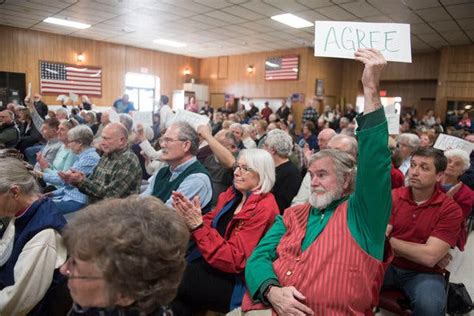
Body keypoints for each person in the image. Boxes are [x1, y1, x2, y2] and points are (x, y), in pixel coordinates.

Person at [242, 48, 393, 315]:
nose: (313, 182)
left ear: (347, 180)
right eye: (311, 175)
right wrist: (272, 291)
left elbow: (376, 161)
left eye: (322, 175)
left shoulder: (362, 216)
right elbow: (257, 258)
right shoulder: (292, 215)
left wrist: (370, 89)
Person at [171, 148, 279, 315]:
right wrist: (190, 216)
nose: (236, 172)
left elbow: (234, 260)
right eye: (237, 166)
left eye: (245, 168)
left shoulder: (264, 208)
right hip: (211, 262)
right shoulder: (233, 194)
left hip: (236, 281)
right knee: (174, 285)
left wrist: (198, 227)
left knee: (172, 277)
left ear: (262, 173)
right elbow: (209, 221)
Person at [60, 195, 189, 315]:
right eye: (70, 259)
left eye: (75, 264)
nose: (63, 269)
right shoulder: (95, 302)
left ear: (124, 294)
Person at [384, 148, 463, 315]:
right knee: (350, 280)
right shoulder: (394, 196)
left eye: (424, 168)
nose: (414, 172)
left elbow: (429, 257)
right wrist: (418, 250)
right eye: (413, 165)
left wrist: (387, 241)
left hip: (424, 273)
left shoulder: (449, 209)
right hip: (388, 264)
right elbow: (376, 239)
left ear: (439, 176)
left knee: (430, 307)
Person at [0, 158, 67, 315]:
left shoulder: (44, 234)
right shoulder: (25, 210)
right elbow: (6, 249)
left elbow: (18, 301)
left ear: (15, 192)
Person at [59, 122, 142, 204]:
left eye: (106, 139)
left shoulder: (128, 160)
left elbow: (111, 196)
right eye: (102, 138)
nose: (102, 143)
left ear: (122, 140)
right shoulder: (106, 156)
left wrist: (81, 181)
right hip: (98, 210)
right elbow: (91, 182)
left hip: (117, 214)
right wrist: (76, 179)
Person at [142, 121, 213, 212]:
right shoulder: (163, 171)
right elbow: (141, 201)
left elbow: (166, 216)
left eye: (168, 140)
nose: (162, 145)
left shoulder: (197, 178)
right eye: (162, 140)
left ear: (186, 145)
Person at [52, 125, 100, 214]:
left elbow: (64, 180)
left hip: (77, 201)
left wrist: (41, 174)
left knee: (42, 207)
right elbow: (67, 184)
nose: (69, 144)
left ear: (80, 143)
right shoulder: (82, 156)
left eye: (70, 141)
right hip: (67, 195)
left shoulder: (89, 158)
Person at [440, 148, 474, 251]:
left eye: (457, 164)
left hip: (447, 237)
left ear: (462, 171)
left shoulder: (467, 194)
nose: (451, 165)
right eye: (449, 161)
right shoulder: (430, 182)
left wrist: (448, 201)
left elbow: (457, 220)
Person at [264, 129, 302, 213]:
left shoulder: (291, 174)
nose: (263, 148)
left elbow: (282, 206)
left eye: (265, 146)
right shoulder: (271, 167)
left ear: (273, 150)